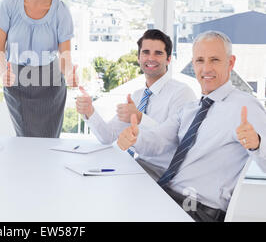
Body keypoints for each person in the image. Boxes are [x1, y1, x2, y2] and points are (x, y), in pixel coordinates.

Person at [117, 31, 266, 222]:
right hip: (168, 197)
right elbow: (159, 141)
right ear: (193, 64)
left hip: (197, 210)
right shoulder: (190, 109)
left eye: (214, 60)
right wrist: (136, 137)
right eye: (200, 60)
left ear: (230, 62)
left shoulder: (244, 107)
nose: (206, 68)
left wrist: (257, 144)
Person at [76, 29, 196, 180]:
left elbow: (171, 143)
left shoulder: (182, 93)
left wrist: (140, 118)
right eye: (146, 52)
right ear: (139, 58)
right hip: (136, 166)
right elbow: (107, 136)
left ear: (168, 59)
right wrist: (89, 111)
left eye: (158, 53)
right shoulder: (137, 96)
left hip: (163, 174)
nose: (151, 58)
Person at [0, 0, 78, 138]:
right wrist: (2, 72)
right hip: (16, 80)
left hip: (51, 83)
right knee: (25, 140)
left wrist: (69, 74)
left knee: (49, 143)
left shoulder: (61, 11)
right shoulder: (9, 3)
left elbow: (65, 55)